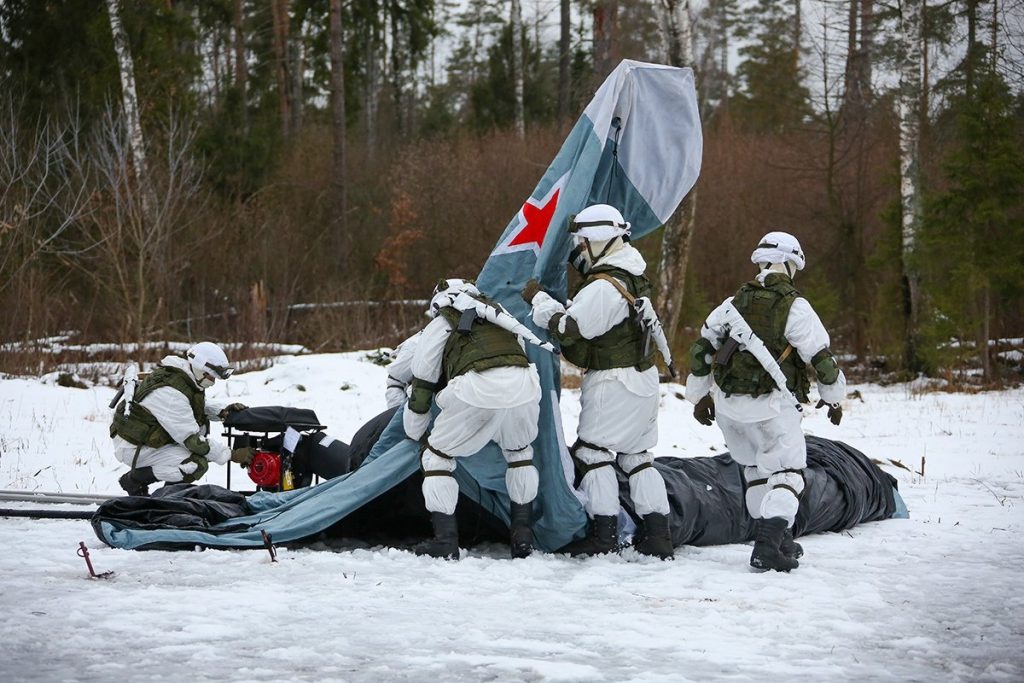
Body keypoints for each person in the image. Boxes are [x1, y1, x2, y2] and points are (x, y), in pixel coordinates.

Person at [685, 231, 847, 572]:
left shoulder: (731, 303)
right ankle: (767, 545)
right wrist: (833, 399)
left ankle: (779, 536)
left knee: (756, 472)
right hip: (771, 407)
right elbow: (821, 359)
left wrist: (699, 397)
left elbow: (701, 350)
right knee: (788, 474)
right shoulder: (795, 306)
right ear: (791, 263)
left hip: (729, 408)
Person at [522, 203, 674, 560]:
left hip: (613, 381)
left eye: (584, 241)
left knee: (593, 455)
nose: (582, 248)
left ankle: (603, 536)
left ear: (599, 240)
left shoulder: (604, 288)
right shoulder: (632, 268)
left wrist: (539, 299)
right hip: (643, 380)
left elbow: (570, 327)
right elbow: (593, 271)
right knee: (637, 458)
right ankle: (658, 536)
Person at [403, 279, 543, 560]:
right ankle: (523, 537)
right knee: (520, 454)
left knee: (436, 458)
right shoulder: (499, 312)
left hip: (476, 389)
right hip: (525, 387)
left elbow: (422, 385)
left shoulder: (442, 323)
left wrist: (415, 432)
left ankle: (445, 541)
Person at [110, 342, 252, 496]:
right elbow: (193, 441)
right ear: (199, 368)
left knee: (195, 458)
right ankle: (136, 481)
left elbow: (191, 404)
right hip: (134, 447)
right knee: (194, 464)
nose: (213, 381)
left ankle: (168, 497)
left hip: (148, 439)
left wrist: (222, 412)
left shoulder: (183, 377)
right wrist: (232, 454)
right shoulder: (171, 393)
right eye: (212, 376)